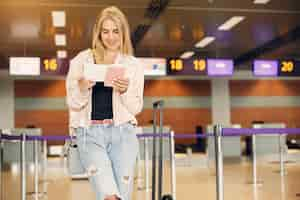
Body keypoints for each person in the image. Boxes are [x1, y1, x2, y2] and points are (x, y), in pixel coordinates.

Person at [65, 6, 144, 200]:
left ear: (123, 33)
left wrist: (124, 91)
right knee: (109, 196)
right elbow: (72, 103)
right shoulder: (82, 60)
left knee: (122, 196)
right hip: (90, 135)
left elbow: (136, 108)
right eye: (105, 31)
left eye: (116, 31)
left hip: (123, 135)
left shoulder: (132, 65)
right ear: (98, 33)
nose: (110, 37)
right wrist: (82, 88)